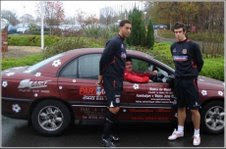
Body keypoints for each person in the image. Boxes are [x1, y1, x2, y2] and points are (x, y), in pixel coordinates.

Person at [168, 22, 204, 146]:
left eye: (180, 32)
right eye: (176, 32)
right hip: (178, 81)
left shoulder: (193, 46)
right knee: (181, 107)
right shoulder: (172, 46)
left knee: (194, 109)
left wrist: (193, 74)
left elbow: (200, 63)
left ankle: (197, 134)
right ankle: (180, 131)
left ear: (184, 32)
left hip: (190, 81)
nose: (177, 34)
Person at [98, 20, 132, 147]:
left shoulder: (122, 44)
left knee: (114, 108)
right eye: (127, 28)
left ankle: (109, 134)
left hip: (117, 80)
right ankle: (105, 137)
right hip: (111, 79)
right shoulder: (115, 42)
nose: (129, 30)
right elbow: (103, 59)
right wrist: (100, 76)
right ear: (121, 28)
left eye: (130, 28)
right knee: (114, 107)